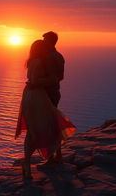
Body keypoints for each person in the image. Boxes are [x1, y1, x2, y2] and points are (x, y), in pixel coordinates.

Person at [15, 40, 76, 179]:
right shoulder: (38, 61)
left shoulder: (34, 60)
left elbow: (33, 80)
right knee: (42, 126)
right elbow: (35, 81)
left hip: (33, 96)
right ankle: (37, 162)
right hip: (36, 97)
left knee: (42, 125)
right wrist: (52, 80)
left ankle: (31, 164)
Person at [42, 31, 65, 165]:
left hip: (48, 94)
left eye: (45, 40)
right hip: (55, 92)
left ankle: (51, 158)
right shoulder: (59, 56)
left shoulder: (49, 57)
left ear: (50, 41)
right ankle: (58, 155)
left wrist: (35, 83)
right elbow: (60, 77)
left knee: (48, 125)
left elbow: (53, 78)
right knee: (53, 124)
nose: (43, 42)